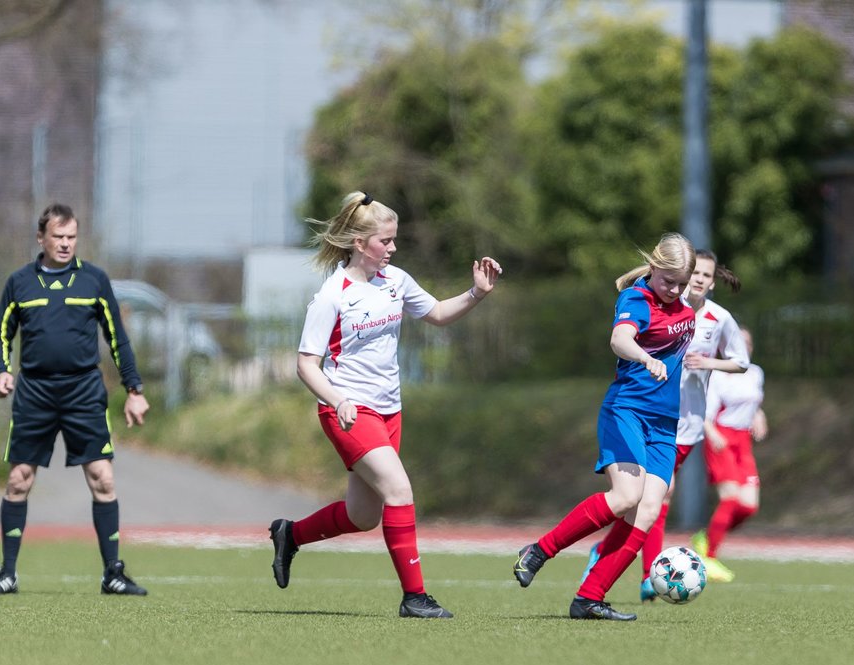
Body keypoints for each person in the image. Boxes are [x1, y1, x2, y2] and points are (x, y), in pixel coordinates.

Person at [267, 191, 503, 618]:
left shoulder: (395, 280)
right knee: (399, 489)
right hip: (348, 411)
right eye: (385, 241)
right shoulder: (332, 295)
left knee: (362, 516)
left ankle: (290, 535)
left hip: (389, 410)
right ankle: (415, 598)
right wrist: (336, 400)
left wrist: (476, 293)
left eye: (394, 240)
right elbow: (306, 365)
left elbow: (436, 312)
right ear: (359, 244)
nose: (393, 249)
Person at [512, 233, 697, 620]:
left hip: (664, 426)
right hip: (626, 412)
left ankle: (589, 598)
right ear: (653, 268)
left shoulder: (685, 311)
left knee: (647, 511)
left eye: (683, 283)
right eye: (668, 281)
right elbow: (619, 339)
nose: (675, 290)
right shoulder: (636, 298)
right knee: (626, 496)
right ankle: (540, 550)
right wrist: (646, 359)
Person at [0, 203, 150, 596]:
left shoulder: (94, 280)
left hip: (83, 392)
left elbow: (117, 338)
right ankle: (7, 573)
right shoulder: (19, 283)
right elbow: (0, 336)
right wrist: (1, 370)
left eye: (71, 237)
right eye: (57, 237)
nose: (64, 244)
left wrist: (135, 390)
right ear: (41, 238)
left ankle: (113, 572)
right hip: (35, 393)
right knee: (19, 479)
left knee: (102, 478)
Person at [581, 248, 749, 600]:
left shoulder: (718, 319)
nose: (699, 281)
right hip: (653, 418)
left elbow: (741, 362)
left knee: (651, 502)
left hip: (686, 423)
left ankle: (608, 556)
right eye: (695, 274)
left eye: (706, 275)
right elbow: (628, 333)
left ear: (712, 281)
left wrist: (708, 363)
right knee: (654, 497)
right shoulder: (668, 306)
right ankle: (648, 573)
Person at [691, 327, 767, 576]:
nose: (744, 347)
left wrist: (759, 416)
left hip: (743, 441)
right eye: (739, 343)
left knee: (748, 506)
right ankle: (710, 556)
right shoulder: (718, 375)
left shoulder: (755, 373)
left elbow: (752, 402)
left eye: (748, 343)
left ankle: (706, 536)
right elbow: (704, 412)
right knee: (730, 498)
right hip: (721, 437)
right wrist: (713, 435)